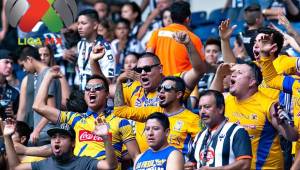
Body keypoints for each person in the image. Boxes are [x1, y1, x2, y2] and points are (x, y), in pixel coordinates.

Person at [91, 31, 207, 153]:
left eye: (147, 69)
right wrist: (93, 61)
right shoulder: (133, 87)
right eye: (139, 70)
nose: (143, 73)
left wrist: (188, 44)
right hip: (139, 158)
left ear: (160, 68)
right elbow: (102, 87)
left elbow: (199, 71)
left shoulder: (172, 84)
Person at [32, 66, 140, 169]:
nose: (91, 91)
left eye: (97, 88)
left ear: (107, 94)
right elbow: (38, 106)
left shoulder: (120, 122)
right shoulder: (74, 119)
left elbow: (136, 157)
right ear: (84, 95)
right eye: (88, 89)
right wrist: (48, 76)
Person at [210, 61, 298, 169]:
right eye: (233, 72)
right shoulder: (226, 100)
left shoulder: (268, 106)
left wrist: (283, 123)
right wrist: (219, 75)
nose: (233, 75)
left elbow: (293, 136)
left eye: (240, 73)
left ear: (252, 82)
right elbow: (208, 102)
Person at [114, 76, 200, 155]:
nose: (161, 91)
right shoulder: (152, 111)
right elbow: (120, 111)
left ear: (178, 94)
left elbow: (204, 145)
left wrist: (191, 163)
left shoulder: (193, 119)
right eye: (160, 88)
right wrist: (119, 82)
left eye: (167, 88)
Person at [3, 118, 118, 170]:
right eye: (53, 137)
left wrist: (106, 138)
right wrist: (7, 137)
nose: (57, 140)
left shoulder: (85, 163)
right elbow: (15, 167)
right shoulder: (43, 165)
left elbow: (110, 166)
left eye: (62, 137)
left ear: (73, 143)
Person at [185, 90, 252, 169]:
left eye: (207, 107)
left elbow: (245, 164)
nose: (202, 111)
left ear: (220, 108)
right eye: (200, 108)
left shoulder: (237, 131)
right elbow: (192, 163)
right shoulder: (199, 136)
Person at [146, 1, 205, 76]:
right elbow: (200, 67)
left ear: (171, 17)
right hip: (184, 84)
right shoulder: (195, 39)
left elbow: (147, 58)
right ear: (188, 19)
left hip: (161, 84)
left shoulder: (156, 33)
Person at [18, 45, 61, 146]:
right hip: (44, 132)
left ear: (29, 59)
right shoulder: (41, 75)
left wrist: (36, 131)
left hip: (47, 133)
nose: (24, 70)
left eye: (24, 65)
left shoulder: (47, 74)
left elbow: (51, 109)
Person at [76, 9, 115, 90]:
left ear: (95, 25)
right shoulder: (80, 44)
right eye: (78, 23)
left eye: (83, 23)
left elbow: (108, 82)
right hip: (81, 93)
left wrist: (94, 63)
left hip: (95, 94)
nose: (79, 27)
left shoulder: (105, 48)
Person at [0, 49, 19, 120]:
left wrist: (13, 115)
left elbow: (19, 117)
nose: (10, 66)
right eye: (6, 62)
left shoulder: (15, 93)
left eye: (11, 63)